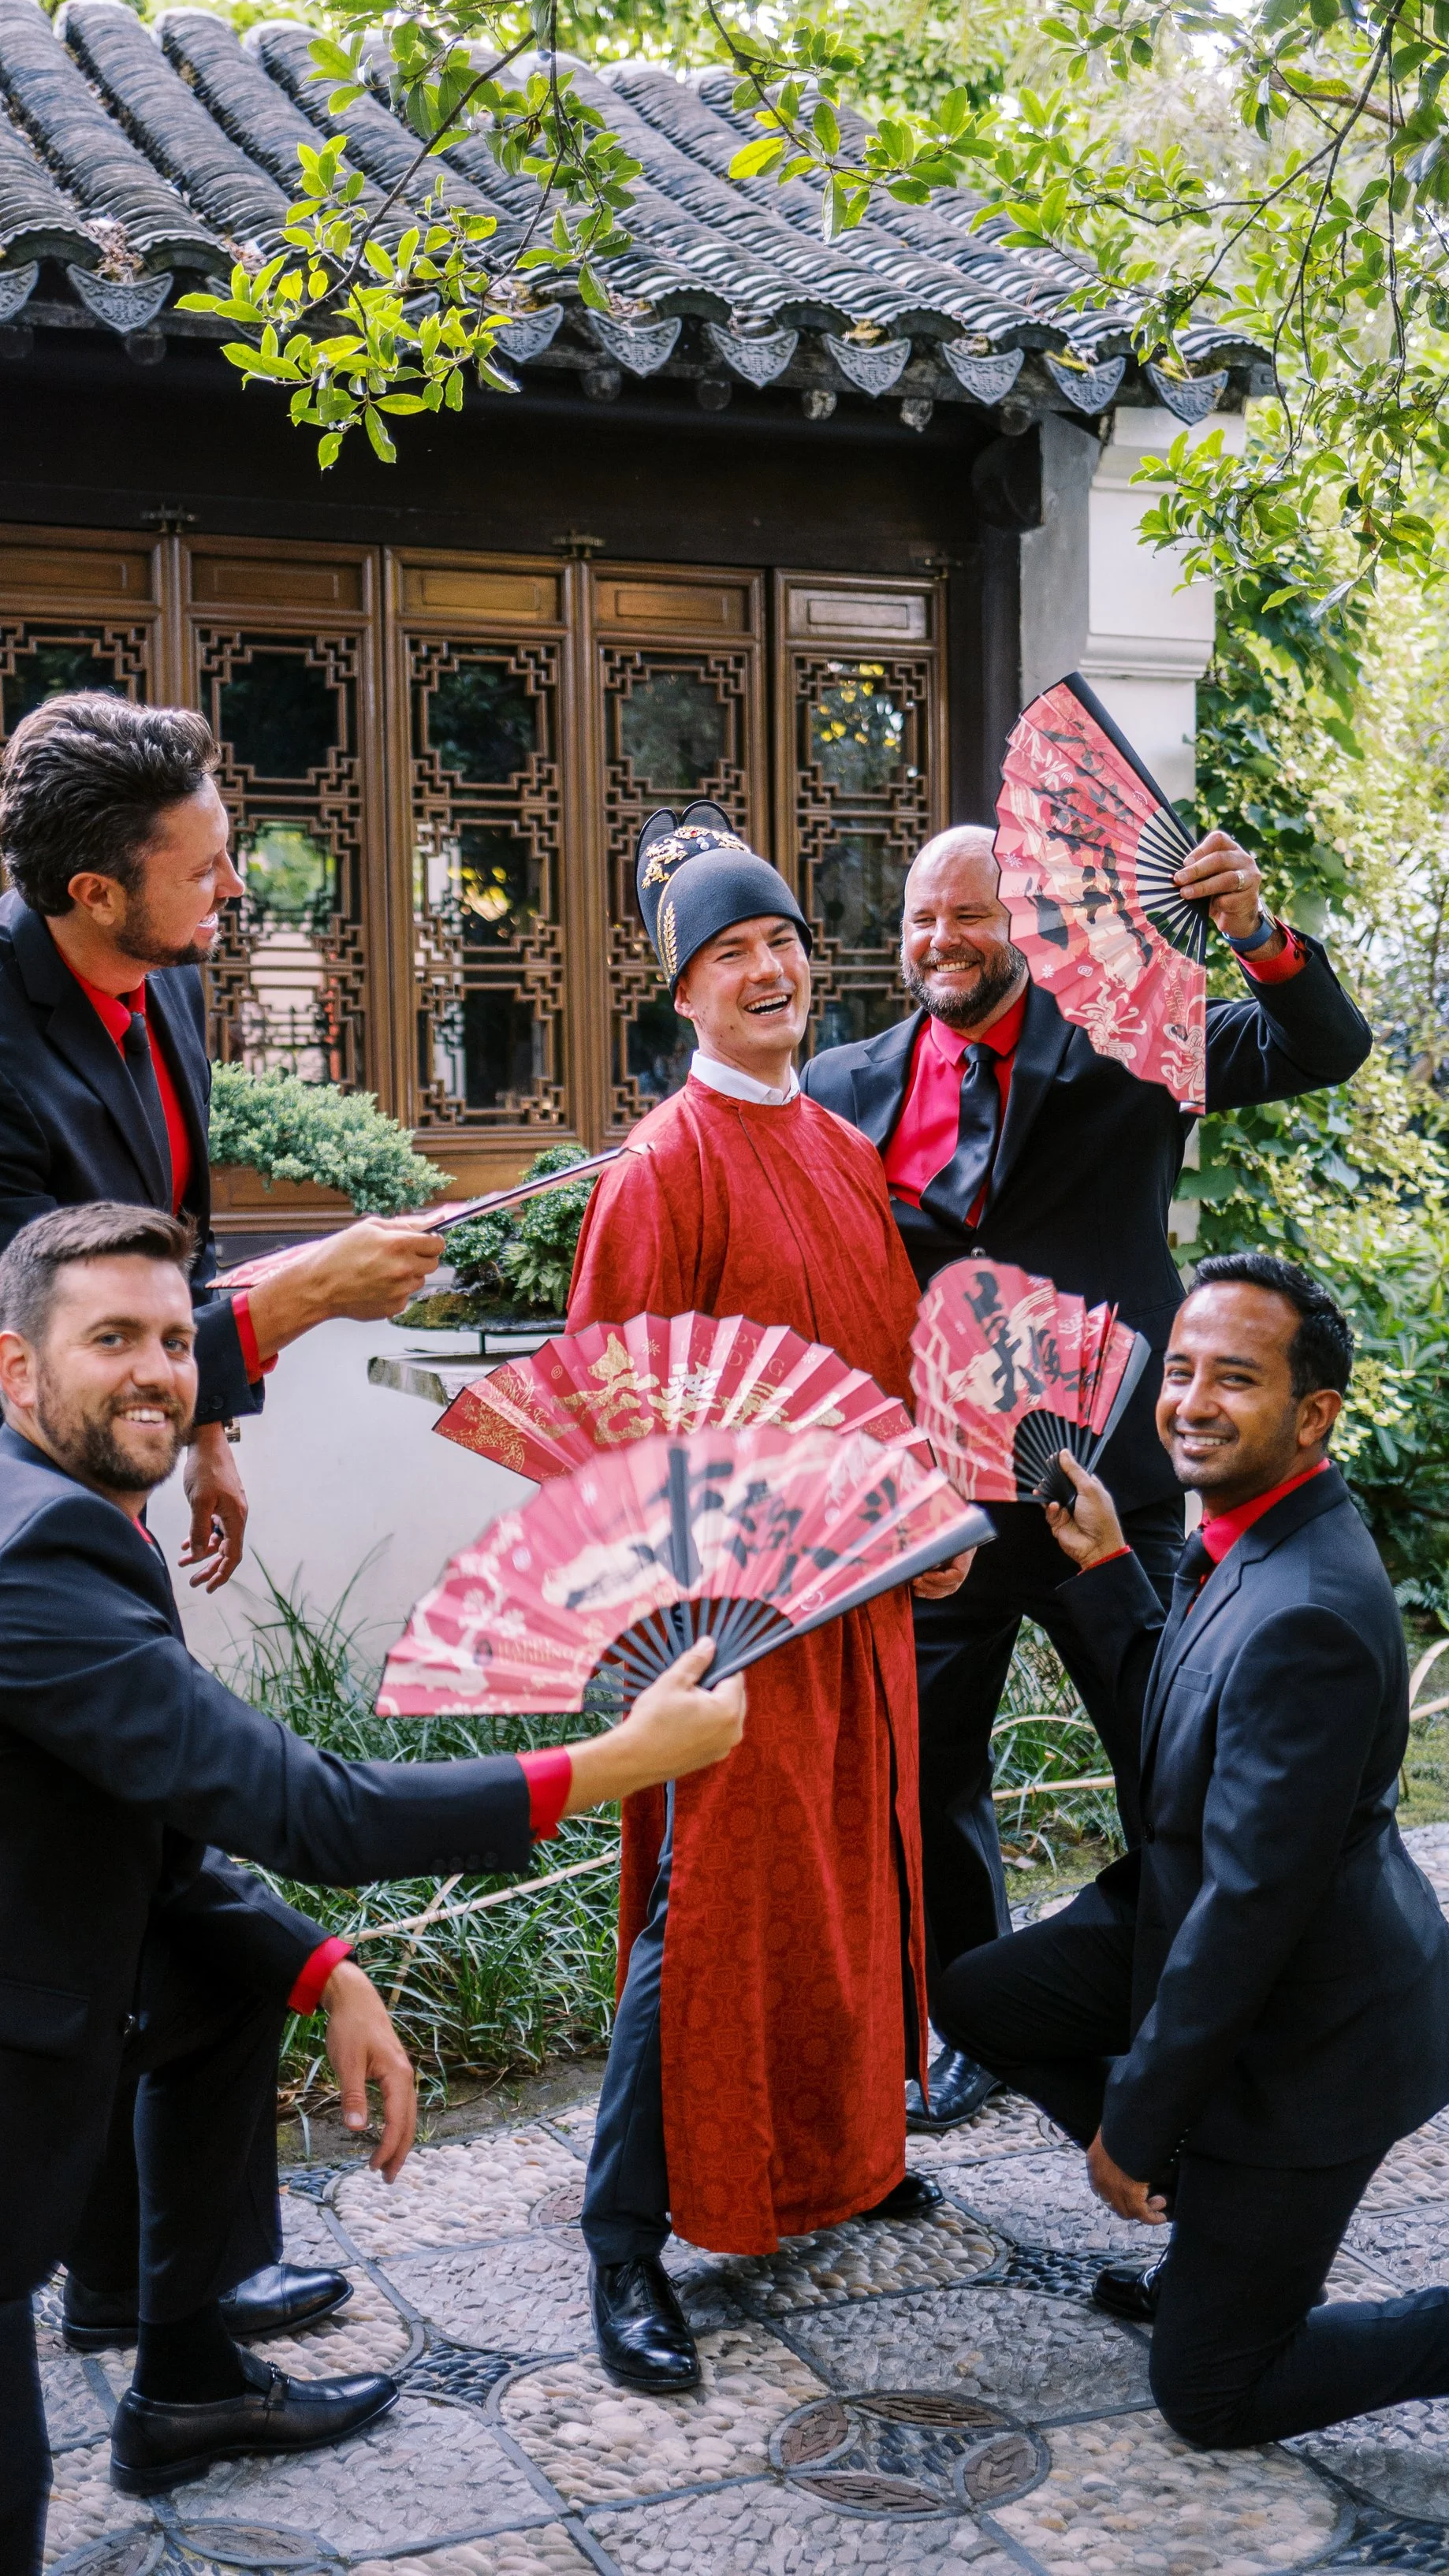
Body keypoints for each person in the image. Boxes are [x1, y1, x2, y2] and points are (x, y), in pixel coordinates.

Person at [0, 1204, 747, 2576]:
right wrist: (613, 1764)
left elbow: (149, 1830)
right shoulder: (35, 1566)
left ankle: (188, 2375)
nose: (156, 1369)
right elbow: (303, 1803)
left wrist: (321, 1969)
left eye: (169, 1336)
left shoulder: (39, 1510)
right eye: (110, 1341)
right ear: (19, 1370)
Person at [0, 693, 447, 2351]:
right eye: (200, 869)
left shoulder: (159, 976)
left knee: (85, 1832)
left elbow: (155, 1232)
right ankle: (152, 2286)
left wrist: (213, 1428)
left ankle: (153, 2282)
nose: (228, 895)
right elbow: (57, 1347)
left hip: (83, 1451)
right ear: (92, 895)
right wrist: (304, 1299)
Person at [933, 1253, 1449, 2455]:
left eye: (1236, 1378)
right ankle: (1204, 2200)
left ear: (1314, 1413)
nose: (1190, 1402)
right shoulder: (1250, 1536)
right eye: (1179, 1372)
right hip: (1193, 1925)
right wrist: (1112, 1567)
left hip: (1308, 2030)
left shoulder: (1314, 1612)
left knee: (1218, 2395)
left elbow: (1248, 1911)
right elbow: (1181, 1729)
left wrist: (1134, 2122)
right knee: (979, 1995)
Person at [803, 810, 1374, 2130]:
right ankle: (970, 2020)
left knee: (1168, 1750)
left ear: (1028, 928)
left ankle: (1209, 2011)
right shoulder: (843, 1087)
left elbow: (1318, 1047)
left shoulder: (1130, 1042)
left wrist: (1253, 933)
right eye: (921, 921)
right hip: (939, 1498)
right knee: (932, 1771)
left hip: (1105, 1486)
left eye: (974, 914)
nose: (944, 940)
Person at [566, 802, 974, 2398]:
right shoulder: (661, 1170)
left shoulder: (832, 1144)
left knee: (848, 1879)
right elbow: (612, 1411)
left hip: (859, 1597)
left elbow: (888, 1375)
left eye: (783, 945)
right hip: (728, 1613)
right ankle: (623, 2234)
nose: (764, 973)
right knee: (708, 1909)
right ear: (679, 994)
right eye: (727, 954)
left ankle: (841, 2151)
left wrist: (927, 1513)